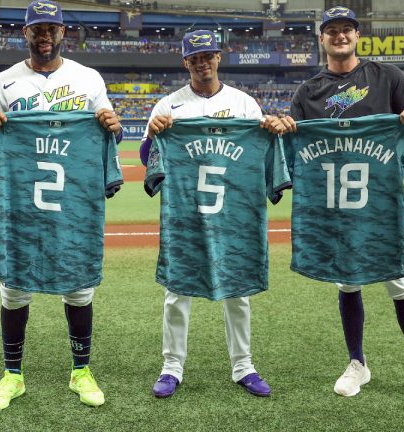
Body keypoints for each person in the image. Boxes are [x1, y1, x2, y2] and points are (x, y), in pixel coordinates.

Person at [281, 6, 404, 409]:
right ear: (322, 39)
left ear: (356, 35)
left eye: (346, 30)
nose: (339, 36)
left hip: (382, 207)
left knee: (401, 284)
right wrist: (282, 126)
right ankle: (357, 363)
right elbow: (294, 145)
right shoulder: (307, 93)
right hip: (334, 210)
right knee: (347, 282)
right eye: (331, 31)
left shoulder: (388, 78)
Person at [0, 0, 122, 412]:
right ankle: (12, 374)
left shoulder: (88, 78)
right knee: (14, 289)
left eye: (51, 28)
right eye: (36, 29)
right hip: (23, 206)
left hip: (73, 203)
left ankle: (81, 370)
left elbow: (104, 129)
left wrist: (110, 128)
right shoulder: (4, 82)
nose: (44, 35)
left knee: (78, 289)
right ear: (25, 34)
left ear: (63, 33)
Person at [138, 29, 290, 399]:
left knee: (237, 292)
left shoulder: (244, 104)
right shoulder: (167, 106)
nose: (202, 62)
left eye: (208, 55)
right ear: (185, 62)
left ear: (219, 57)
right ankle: (172, 366)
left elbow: (265, 154)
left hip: (234, 213)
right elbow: (148, 161)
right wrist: (152, 136)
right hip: (185, 214)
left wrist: (272, 130)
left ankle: (244, 365)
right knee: (177, 291)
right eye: (195, 57)